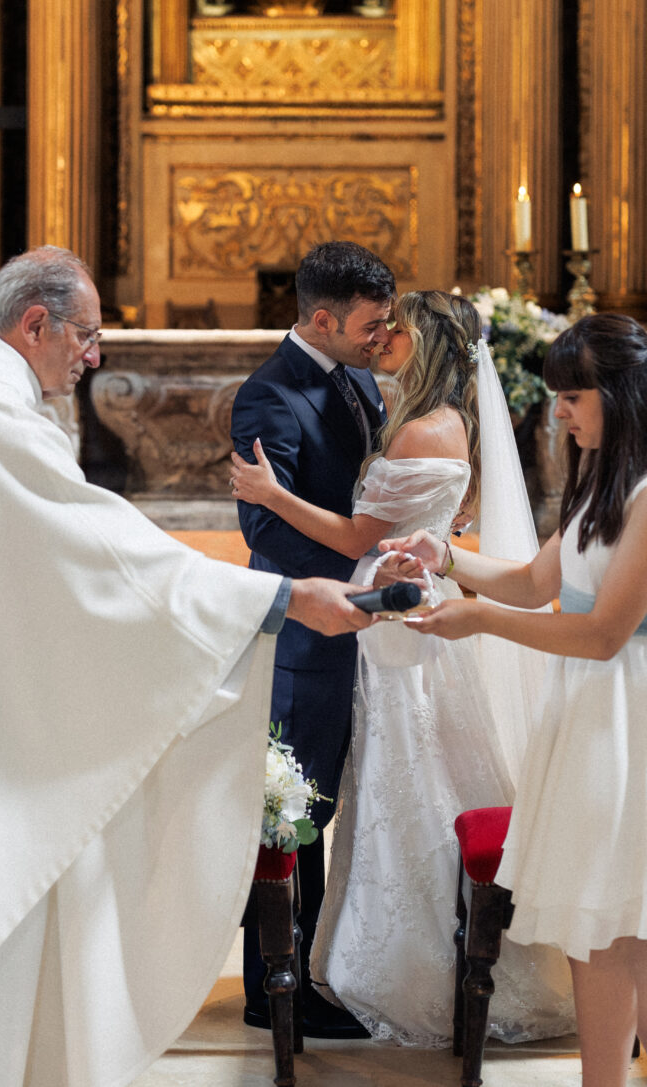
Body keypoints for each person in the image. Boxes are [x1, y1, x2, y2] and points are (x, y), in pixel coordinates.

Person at [0, 246, 372, 1087]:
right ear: (35, 324)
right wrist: (280, 601)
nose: (95, 356)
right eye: (84, 336)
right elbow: (104, 556)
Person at [382, 313, 647, 1087]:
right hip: (590, 705)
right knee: (601, 903)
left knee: (598, 919)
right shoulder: (605, 477)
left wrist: (478, 620)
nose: (561, 412)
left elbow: (606, 632)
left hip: (632, 707)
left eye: (574, 396)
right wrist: (446, 554)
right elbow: (535, 583)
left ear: (621, 393)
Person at [230, 289, 576, 1046]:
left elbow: (360, 528)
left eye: (397, 328)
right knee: (403, 783)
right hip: (393, 621)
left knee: (414, 784)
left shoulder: (423, 430)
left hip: (402, 630)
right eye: (377, 324)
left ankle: (417, 962)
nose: (384, 336)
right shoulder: (421, 417)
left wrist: (270, 493)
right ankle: (406, 951)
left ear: (428, 345)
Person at [230, 240, 395, 1037]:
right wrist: (365, 564)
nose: (379, 336)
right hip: (306, 632)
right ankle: (275, 986)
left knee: (340, 802)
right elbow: (266, 527)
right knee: (294, 814)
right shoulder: (268, 397)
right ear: (322, 318)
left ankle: (325, 966)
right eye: (369, 324)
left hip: (369, 625)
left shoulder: (359, 377)